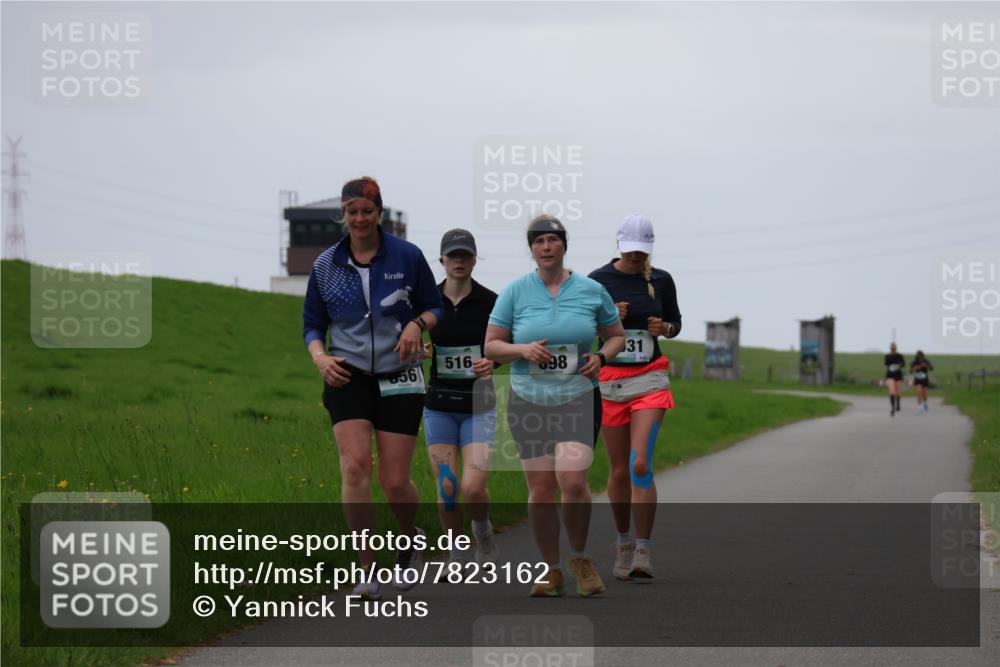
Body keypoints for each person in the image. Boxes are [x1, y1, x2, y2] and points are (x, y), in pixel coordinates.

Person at [303, 176, 443, 600]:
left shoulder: (407, 255)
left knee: (394, 480)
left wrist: (417, 326)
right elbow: (312, 324)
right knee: (354, 467)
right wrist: (320, 357)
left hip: (400, 372)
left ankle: (409, 538)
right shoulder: (326, 265)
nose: (360, 219)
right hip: (348, 374)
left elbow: (433, 306)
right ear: (343, 216)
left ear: (379, 213)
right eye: (352, 212)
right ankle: (367, 570)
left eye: (367, 211)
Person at [485, 214, 625, 597]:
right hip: (528, 399)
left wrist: (602, 357)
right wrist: (522, 349)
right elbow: (491, 345)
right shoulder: (515, 291)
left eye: (553, 240)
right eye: (539, 242)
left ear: (564, 245)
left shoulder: (592, 290)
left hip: (577, 396)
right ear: (531, 249)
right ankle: (551, 569)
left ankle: (579, 558)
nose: (546, 247)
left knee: (574, 480)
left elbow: (616, 335)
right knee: (542, 486)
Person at [588, 214, 681, 581]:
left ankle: (643, 548)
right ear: (619, 246)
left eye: (643, 252)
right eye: (631, 252)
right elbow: (585, 329)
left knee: (639, 463)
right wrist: (608, 320)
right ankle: (623, 540)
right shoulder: (597, 281)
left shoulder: (661, 280)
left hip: (650, 379)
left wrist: (665, 328)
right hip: (611, 383)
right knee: (617, 470)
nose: (637, 258)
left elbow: (675, 323)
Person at [423, 229, 500, 565]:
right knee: (448, 486)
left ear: (474, 260)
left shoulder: (490, 301)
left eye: (465, 255)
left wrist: (493, 360)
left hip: (478, 404)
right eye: (452, 256)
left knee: (472, 486)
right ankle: (455, 551)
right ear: (441, 260)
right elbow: (405, 334)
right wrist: (419, 350)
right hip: (438, 403)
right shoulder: (427, 301)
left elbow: (504, 343)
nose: (458, 261)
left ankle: (482, 529)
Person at [884, 343, 905, 416]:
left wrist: (899, 365)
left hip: (898, 375)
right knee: (892, 391)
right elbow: (886, 365)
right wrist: (887, 369)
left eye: (894, 348)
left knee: (898, 391)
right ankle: (892, 408)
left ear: (896, 348)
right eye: (892, 348)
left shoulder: (900, 356)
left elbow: (903, 364)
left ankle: (898, 403)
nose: (893, 349)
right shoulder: (887, 356)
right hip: (890, 375)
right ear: (890, 348)